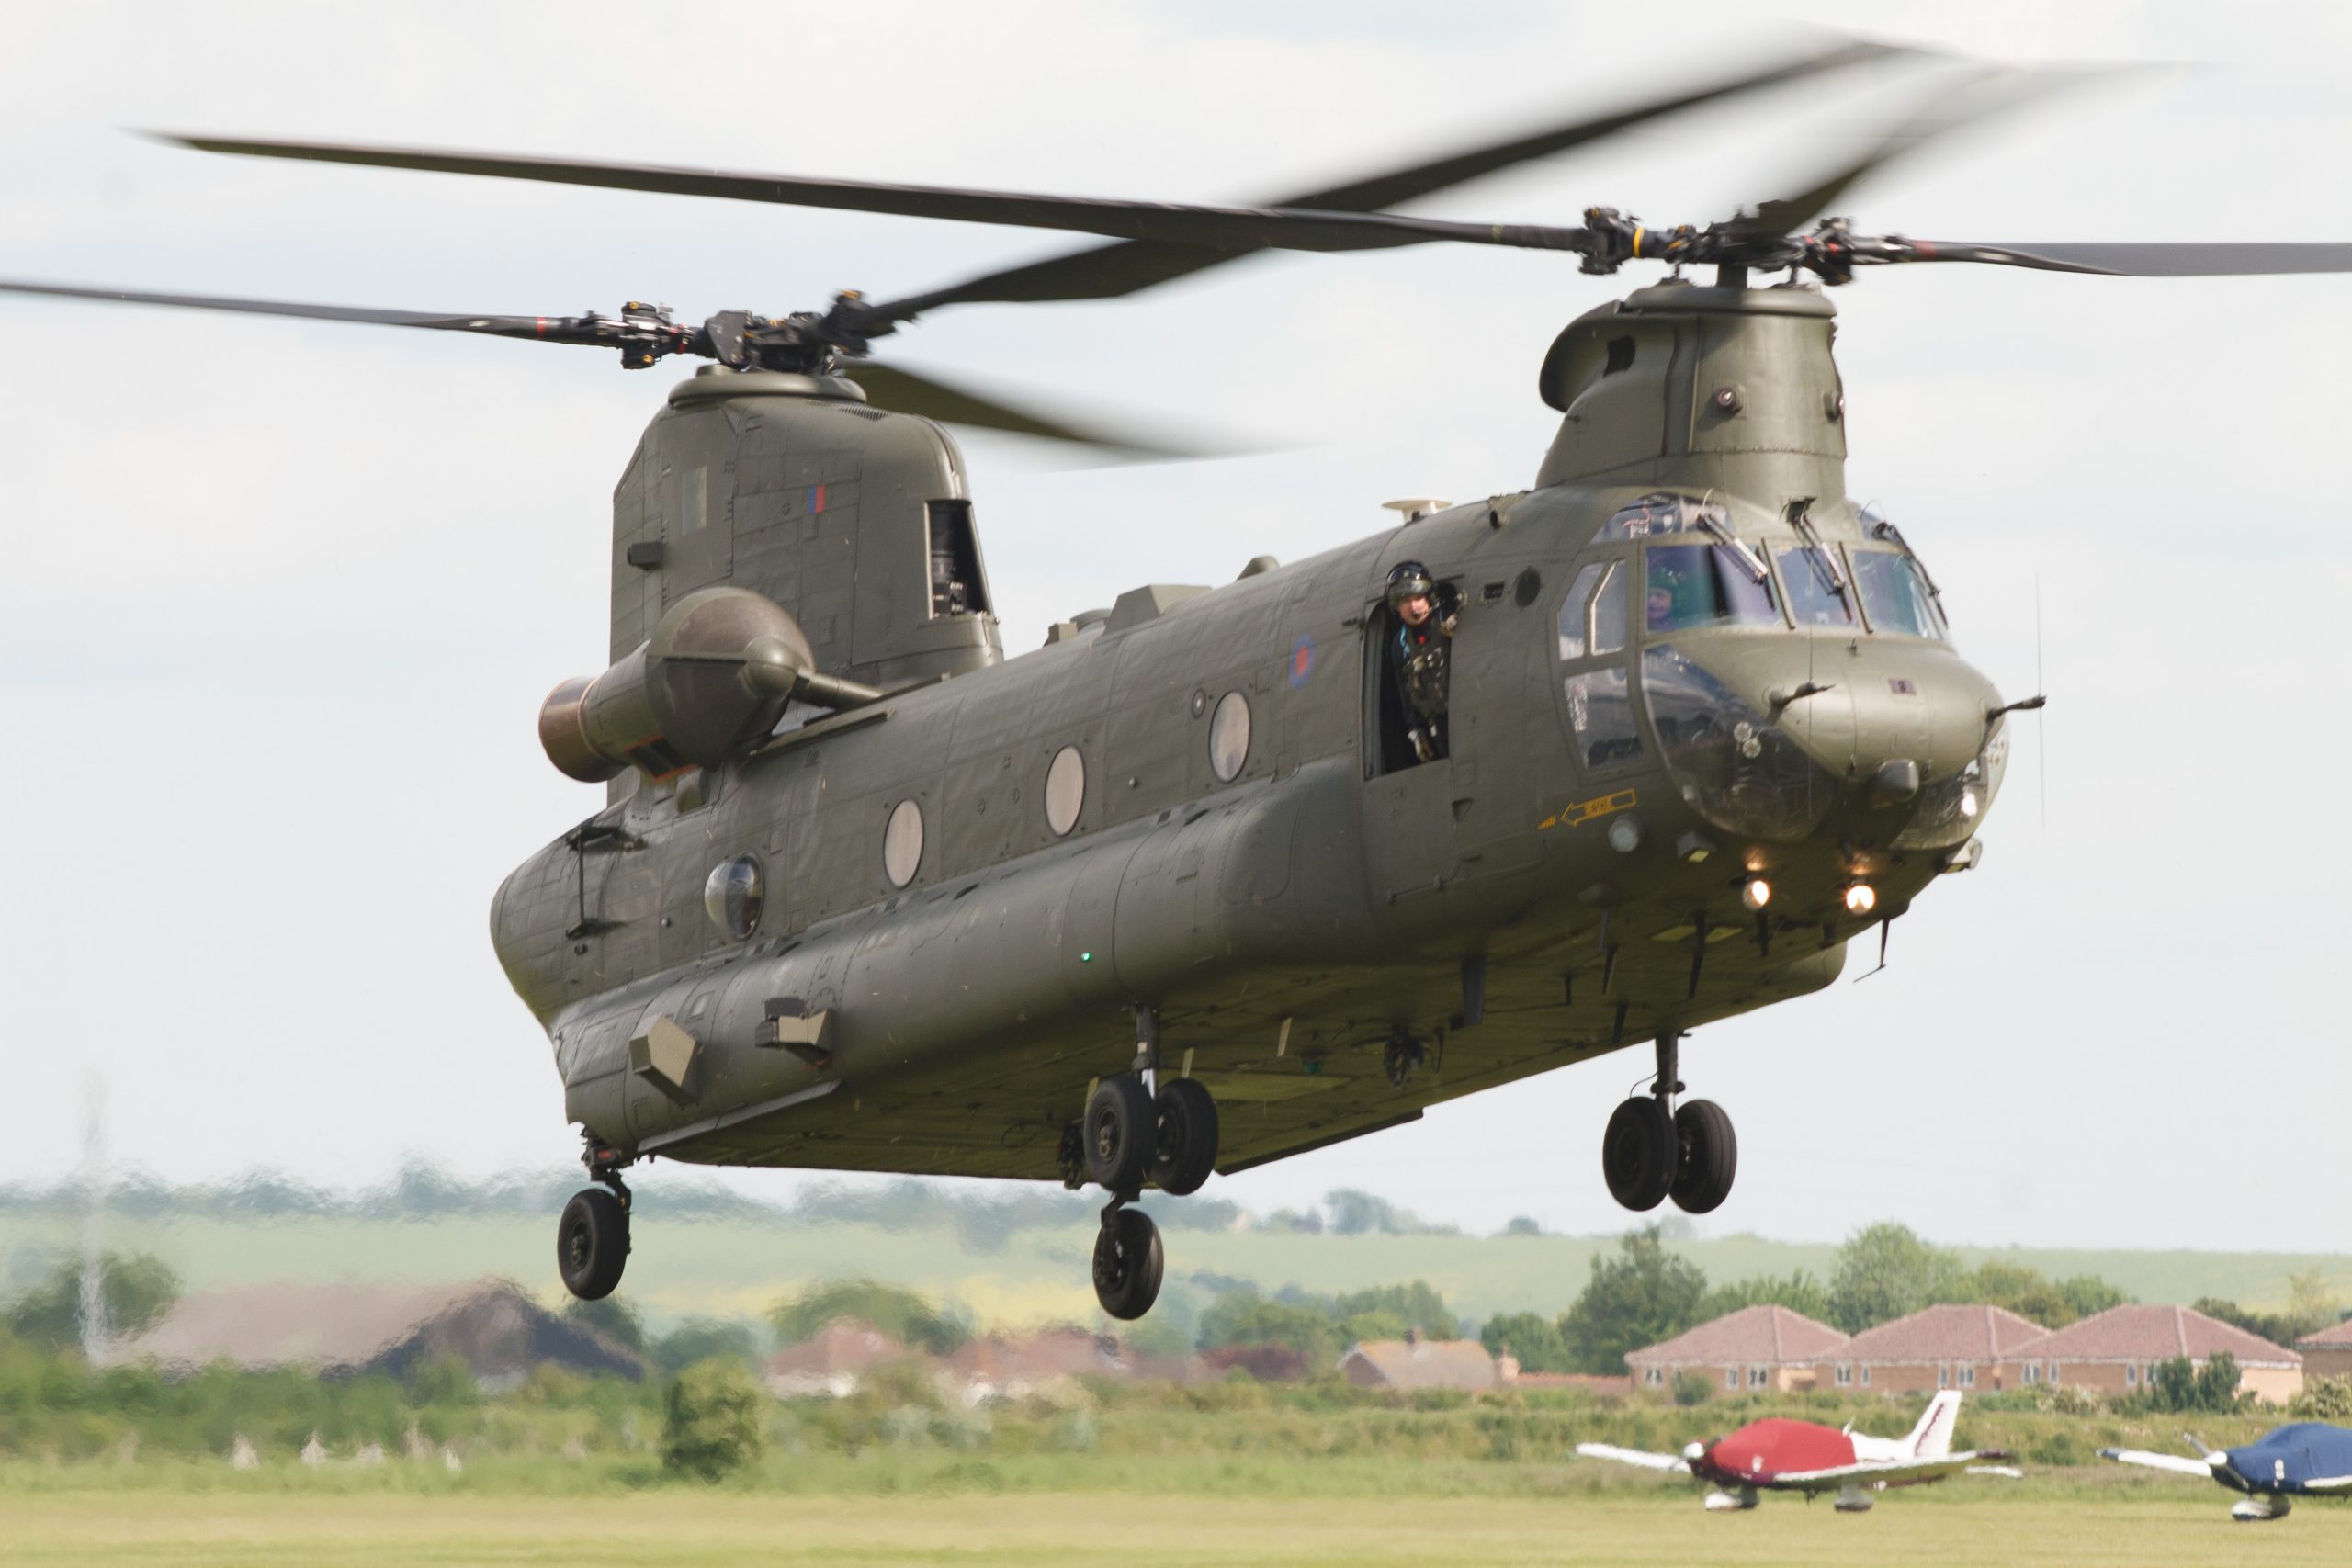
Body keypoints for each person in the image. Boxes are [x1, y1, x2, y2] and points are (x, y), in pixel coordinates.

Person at [1385, 560, 1458, 762]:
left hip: (1463, 711)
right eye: (1405, 601)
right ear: (1397, 607)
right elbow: (1405, 693)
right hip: (1439, 725)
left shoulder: (1448, 617)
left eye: (1418, 598)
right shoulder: (1399, 645)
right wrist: (1417, 733)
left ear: (1428, 599)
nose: (1413, 606)